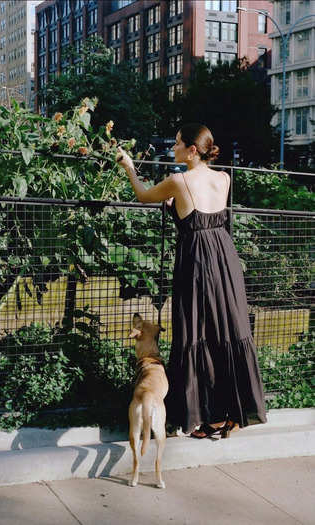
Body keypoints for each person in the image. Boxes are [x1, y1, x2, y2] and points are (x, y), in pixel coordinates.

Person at [115, 123, 267, 438]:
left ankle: (200, 415)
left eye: (178, 144)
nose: (174, 149)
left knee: (196, 330)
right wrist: (176, 211)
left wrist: (130, 167)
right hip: (224, 258)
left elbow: (143, 195)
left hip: (196, 262)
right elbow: (205, 218)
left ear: (192, 150)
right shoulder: (224, 178)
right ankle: (231, 413)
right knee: (227, 328)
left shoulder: (177, 180)